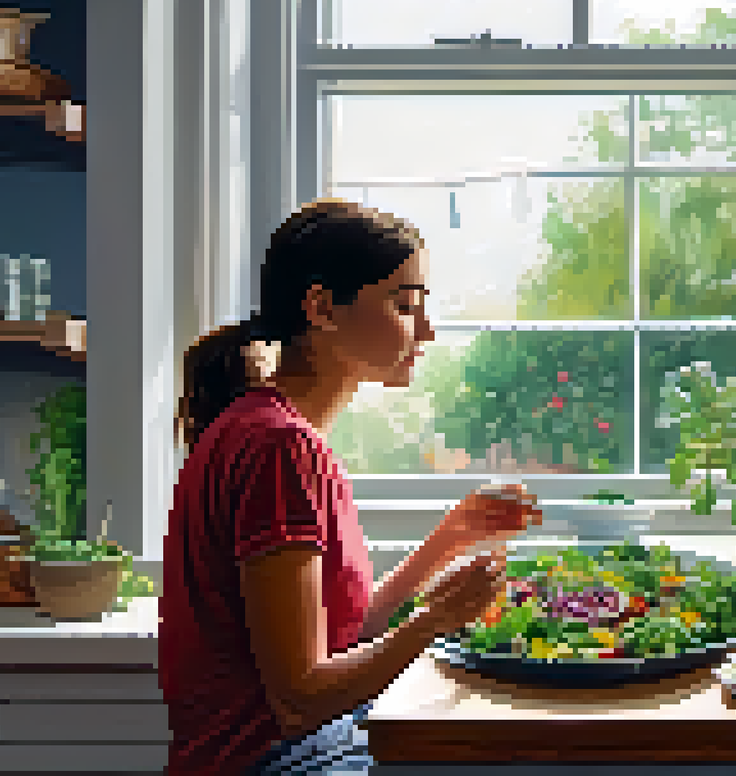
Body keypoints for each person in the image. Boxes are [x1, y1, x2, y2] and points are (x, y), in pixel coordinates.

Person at [159, 199, 539, 775]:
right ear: (321, 309)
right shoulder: (279, 448)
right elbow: (300, 699)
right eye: (404, 304)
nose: (427, 331)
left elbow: (342, 633)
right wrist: (432, 622)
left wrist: (449, 540)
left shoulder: (267, 428)